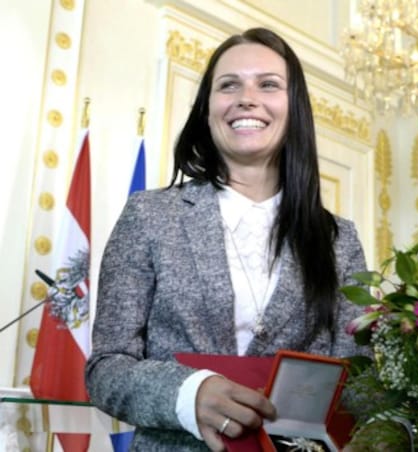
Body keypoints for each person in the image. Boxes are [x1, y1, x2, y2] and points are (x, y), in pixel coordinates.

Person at [86, 27, 369, 451]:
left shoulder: (339, 240)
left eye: (268, 85)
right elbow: (106, 369)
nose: (246, 98)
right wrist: (188, 393)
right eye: (229, 85)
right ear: (207, 109)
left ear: (295, 109)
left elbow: (360, 378)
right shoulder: (148, 216)